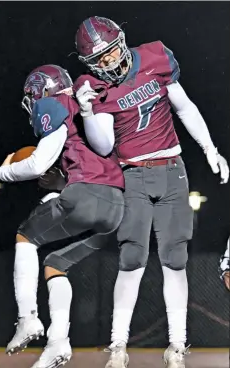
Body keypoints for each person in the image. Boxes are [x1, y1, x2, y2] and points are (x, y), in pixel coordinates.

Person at [73, 16, 230, 368]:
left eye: (112, 54)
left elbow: (184, 106)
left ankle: (177, 345)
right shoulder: (93, 86)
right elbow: (104, 145)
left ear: (123, 42)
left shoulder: (156, 58)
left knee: (175, 260)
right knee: (132, 261)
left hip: (173, 171)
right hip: (133, 176)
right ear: (89, 65)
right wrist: (86, 112)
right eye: (100, 61)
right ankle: (118, 345)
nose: (110, 63)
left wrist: (209, 148)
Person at [0, 64, 125, 368]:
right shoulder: (88, 106)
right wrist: (64, 184)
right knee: (55, 264)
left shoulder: (53, 104)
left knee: (26, 236)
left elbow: (39, 163)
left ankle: (27, 317)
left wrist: (5, 172)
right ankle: (58, 342)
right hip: (116, 207)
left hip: (87, 197)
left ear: (42, 90)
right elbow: (96, 164)